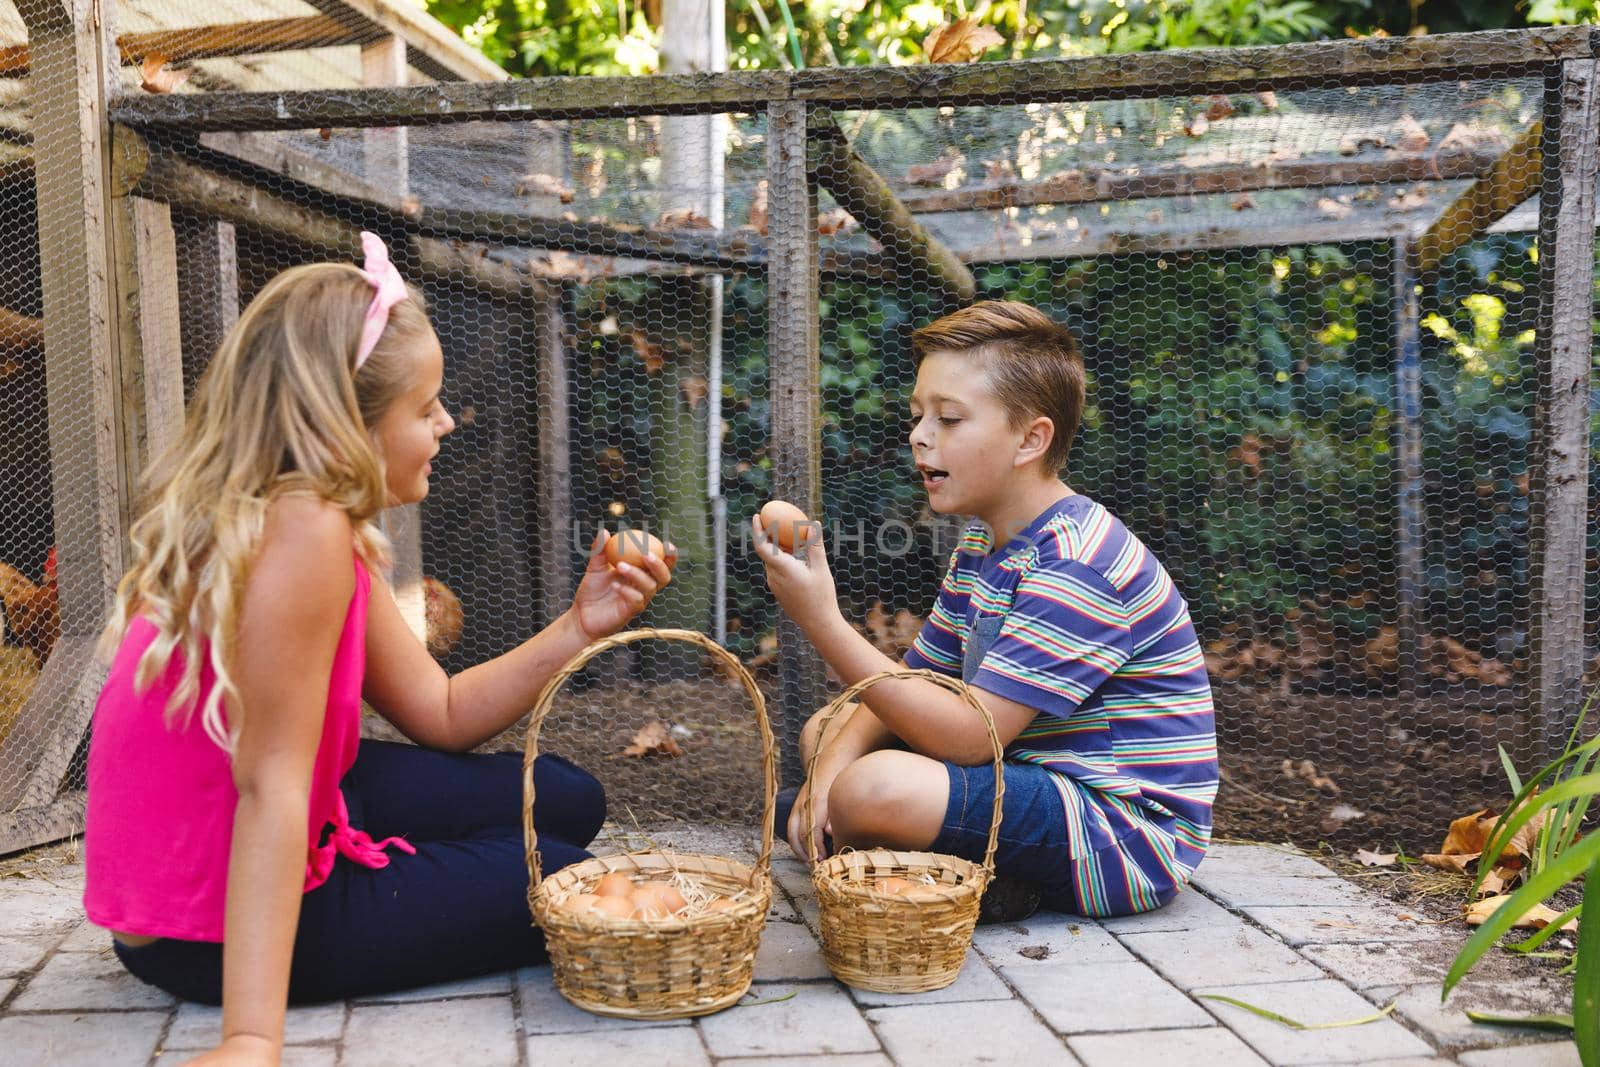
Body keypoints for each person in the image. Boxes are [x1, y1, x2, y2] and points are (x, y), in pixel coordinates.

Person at [83, 233, 675, 1065]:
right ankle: (365, 898)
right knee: (561, 873)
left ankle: (396, 873)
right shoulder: (306, 533)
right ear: (348, 422)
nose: (445, 421)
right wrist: (251, 1038)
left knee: (563, 797)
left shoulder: (308, 516)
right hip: (199, 922)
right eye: (424, 405)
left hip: (241, 844)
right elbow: (269, 788)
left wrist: (581, 624)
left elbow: (439, 712)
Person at [752, 300, 1216, 920]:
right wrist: (826, 775)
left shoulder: (1076, 562)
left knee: (874, 786)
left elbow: (971, 740)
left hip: (1119, 834)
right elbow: (915, 682)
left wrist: (821, 621)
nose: (919, 436)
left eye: (948, 418)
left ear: (1031, 439)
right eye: (918, 416)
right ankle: (938, 859)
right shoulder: (984, 541)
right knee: (828, 733)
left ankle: (946, 864)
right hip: (1028, 775)